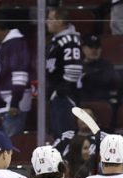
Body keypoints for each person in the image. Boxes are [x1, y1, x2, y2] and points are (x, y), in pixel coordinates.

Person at [0, 13, 31, 137]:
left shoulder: (16, 44)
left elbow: (20, 76)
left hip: (11, 107)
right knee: (0, 151)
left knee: (11, 150)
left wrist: (15, 103)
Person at [45, 7, 83, 139]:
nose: (47, 21)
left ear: (60, 21)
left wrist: (61, 91)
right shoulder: (57, 41)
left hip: (65, 97)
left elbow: (74, 69)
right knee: (58, 136)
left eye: (50, 19)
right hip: (58, 95)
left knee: (65, 136)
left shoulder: (69, 40)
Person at [80, 35, 118, 102]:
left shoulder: (107, 65)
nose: (94, 50)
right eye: (91, 47)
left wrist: (86, 75)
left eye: (97, 47)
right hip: (82, 101)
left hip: (102, 101)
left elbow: (107, 80)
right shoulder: (77, 65)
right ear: (83, 48)